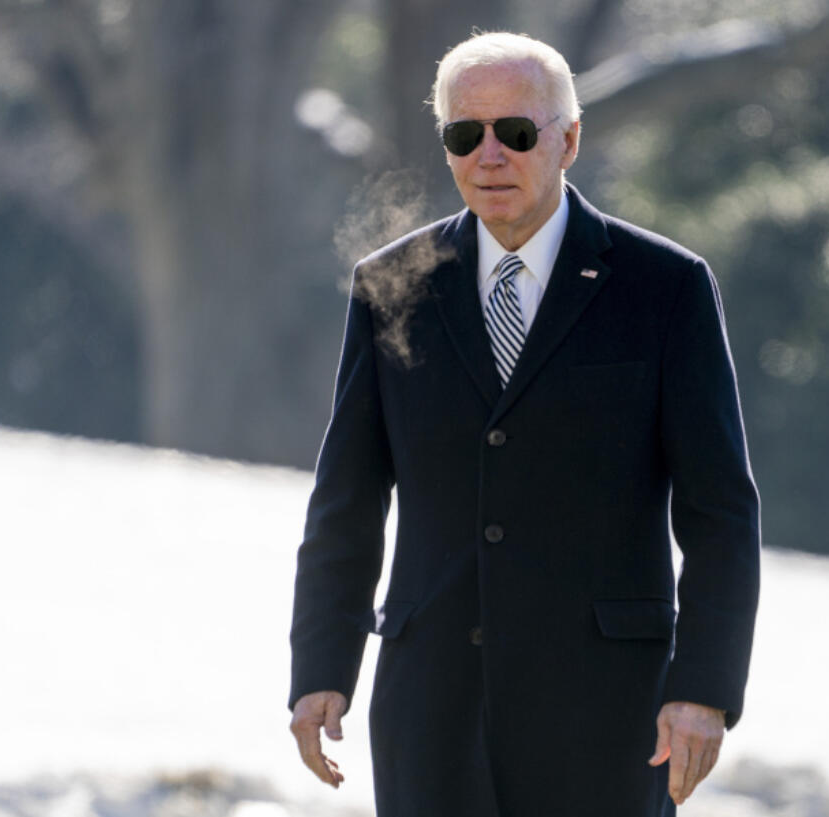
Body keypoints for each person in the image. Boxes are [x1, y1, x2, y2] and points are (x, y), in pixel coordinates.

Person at [288, 31, 760, 817]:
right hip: (430, 711)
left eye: (516, 132)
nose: (490, 155)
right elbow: (347, 499)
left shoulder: (666, 288)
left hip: (608, 718)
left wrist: (704, 690)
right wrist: (321, 667)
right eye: (464, 135)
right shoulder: (391, 286)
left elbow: (720, 514)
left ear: (568, 139)